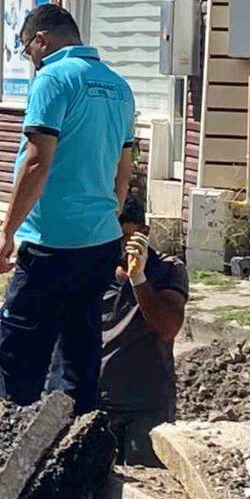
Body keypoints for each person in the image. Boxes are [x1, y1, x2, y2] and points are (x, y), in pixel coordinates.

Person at [0, 3, 136, 415]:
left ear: (42, 39)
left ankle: (12, 445)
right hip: (99, 242)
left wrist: (6, 233)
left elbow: (37, 162)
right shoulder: (117, 85)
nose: (30, 59)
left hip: (51, 242)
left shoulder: (54, 79)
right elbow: (124, 170)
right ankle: (77, 448)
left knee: (20, 353)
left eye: (26, 49)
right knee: (80, 351)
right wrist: (110, 214)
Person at [94, 199, 188, 465]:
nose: (117, 246)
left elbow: (168, 327)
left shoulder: (168, 269)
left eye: (124, 237)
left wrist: (139, 279)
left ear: (143, 233)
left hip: (146, 409)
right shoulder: (93, 267)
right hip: (97, 405)